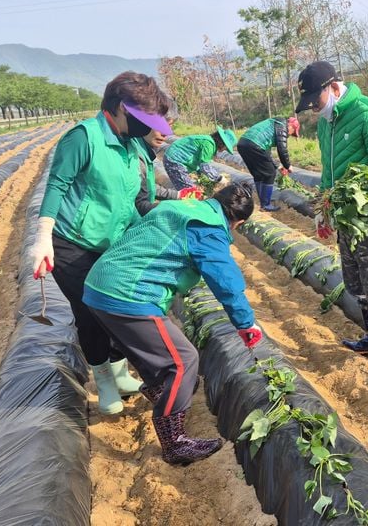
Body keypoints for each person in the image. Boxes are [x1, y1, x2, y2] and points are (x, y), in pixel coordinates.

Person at [82, 183, 262, 465]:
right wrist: (246, 323)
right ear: (238, 222)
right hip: (128, 293)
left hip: (100, 285)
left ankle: (160, 392)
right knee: (183, 361)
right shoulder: (208, 227)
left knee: (155, 350)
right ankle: (174, 443)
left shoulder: (183, 207)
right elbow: (225, 280)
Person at [31, 71, 173, 415]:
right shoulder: (83, 138)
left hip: (113, 242)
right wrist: (42, 238)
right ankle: (104, 381)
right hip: (72, 244)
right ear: (119, 109)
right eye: (143, 118)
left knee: (119, 306)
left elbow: (135, 198)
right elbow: (57, 186)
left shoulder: (130, 143)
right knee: (90, 313)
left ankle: (121, 373)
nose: (149, 127)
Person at [295, 61, 368, 374]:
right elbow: (329, 172)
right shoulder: (325, 123)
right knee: (356, 282)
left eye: (315, 102)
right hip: (346, 219)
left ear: (333, 87)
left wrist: (355, 195)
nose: (314, 110)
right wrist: (324, 209)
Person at [236, 115, 300, 211]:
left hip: (243, 143)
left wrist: (278, 166)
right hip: (254, 145)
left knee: (259, 174)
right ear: (291, 126)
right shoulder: (282, 126)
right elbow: (282, 148)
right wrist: (287, 165)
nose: (290, 135)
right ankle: (266, 204)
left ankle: (263, 203)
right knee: (270, 173)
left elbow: (266, 155)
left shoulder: (271, 125)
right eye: (293, 132)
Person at [163, 126, 237, 191]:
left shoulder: (208, 141)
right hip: (175, 159)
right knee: (189, 190)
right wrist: (219, 178)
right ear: (222, 142)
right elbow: (205, 166)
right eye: (225, 148)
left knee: (187, 188)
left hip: (175, 158)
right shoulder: (209, 144)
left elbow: (199, 163)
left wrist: (201, 175)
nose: (223, 150)